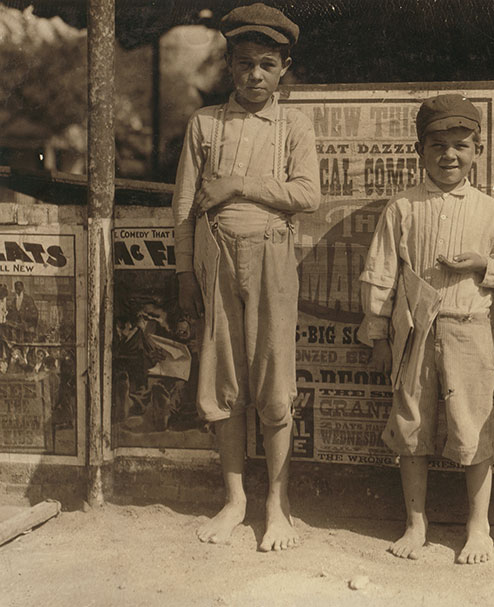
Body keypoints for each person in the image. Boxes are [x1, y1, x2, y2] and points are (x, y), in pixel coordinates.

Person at [172, 2, 320, 551]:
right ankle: (235, 501)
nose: (254, 75)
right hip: (215, 264)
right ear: (228, 66)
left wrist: (238, 185)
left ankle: (276, 507)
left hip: (273, 261)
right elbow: (186, 207)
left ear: (284, 67)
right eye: (243, 63)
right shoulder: (205, 123)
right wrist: (186, 273)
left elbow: (307, 195)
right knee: (222, 382)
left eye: (266, 64)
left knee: (274, 383)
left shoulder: (294, 125)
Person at [359, 94, 494, 564]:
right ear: (420, 148)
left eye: (461, 145)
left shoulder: (491, 212)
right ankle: (416, 523)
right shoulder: (403, 207)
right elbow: (380, 273)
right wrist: (376, 334)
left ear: (477, 151)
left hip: (469, 330)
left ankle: (479, 527)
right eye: (438, 144)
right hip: (413, 332)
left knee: (472, 426)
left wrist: (483, 265)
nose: (449, 155)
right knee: (412, 424)